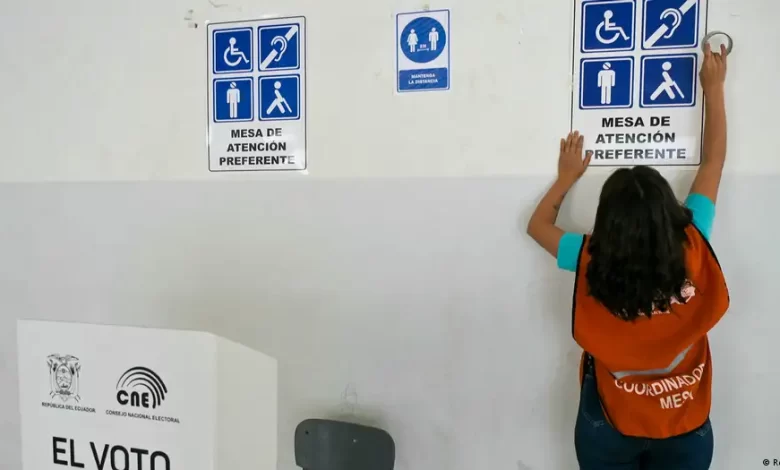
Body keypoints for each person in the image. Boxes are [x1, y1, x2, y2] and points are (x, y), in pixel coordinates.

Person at [526, 43, 729, 469]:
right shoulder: (695, 241)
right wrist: (714, 89)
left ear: (608, 223)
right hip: (684, 423)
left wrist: (566, 178)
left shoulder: (588, 256)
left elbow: (538, 226)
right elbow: (712, 163)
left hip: (611, 424)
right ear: (670, 212)